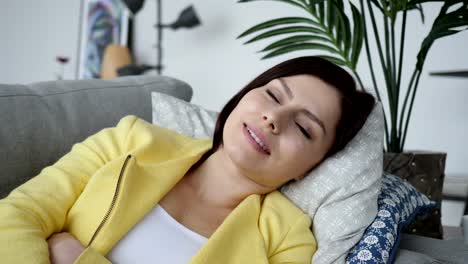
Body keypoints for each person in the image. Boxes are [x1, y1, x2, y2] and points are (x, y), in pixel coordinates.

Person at [0, 56, 375, 264]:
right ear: (244, 96)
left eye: (305, 129)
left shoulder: (287, 241)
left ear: (312, 167)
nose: (274, 119)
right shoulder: (132, 140)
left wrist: (76, 259)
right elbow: (15, 216)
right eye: (274, 95)